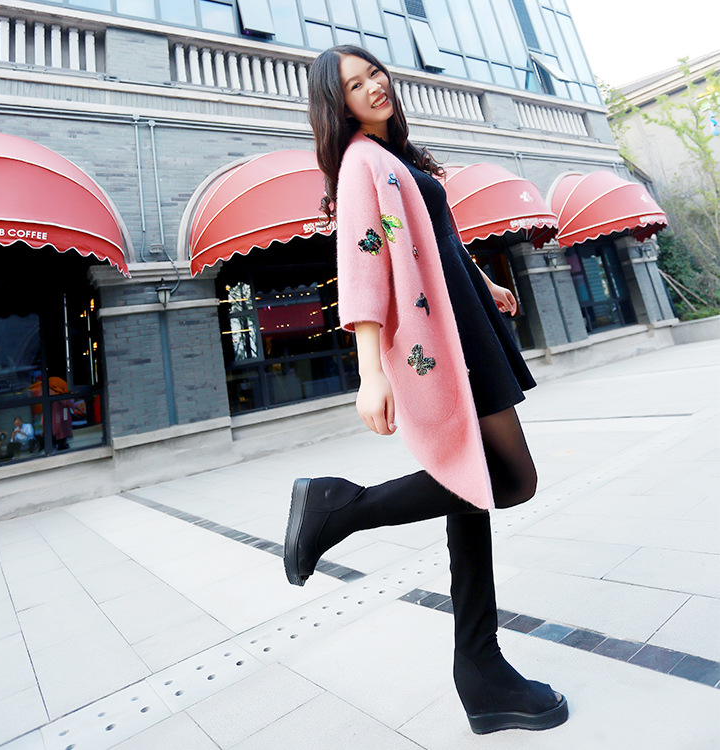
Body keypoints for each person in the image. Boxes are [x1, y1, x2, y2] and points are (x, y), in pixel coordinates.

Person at [283, 45, 568, 735]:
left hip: (465, 314)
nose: (373, 86)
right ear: (337, 105)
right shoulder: (360, 163)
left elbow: (438, 238)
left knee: (474, 490)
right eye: (354, 85)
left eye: (373, 73)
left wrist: (485, 281)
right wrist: (370, 372)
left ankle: (482, 673)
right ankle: (339, 509)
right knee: (511, 479)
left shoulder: (394, 156)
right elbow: (363, 261)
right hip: (443, 335)